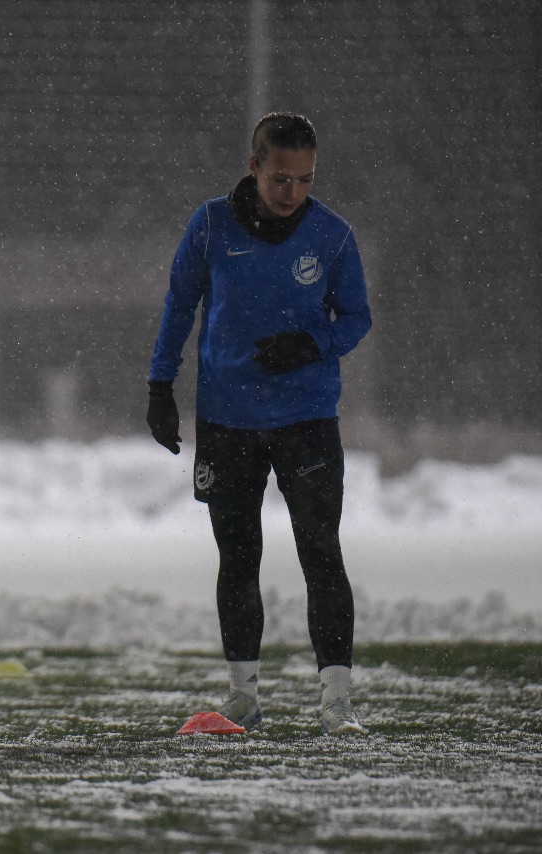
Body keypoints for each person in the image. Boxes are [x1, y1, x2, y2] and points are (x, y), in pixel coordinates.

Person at [146, 112, 372, 735]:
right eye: (280, 178)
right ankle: (243, 696)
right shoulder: (211, 225)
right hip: (229, 420)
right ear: (254, 167)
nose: (292, 191)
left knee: (320, 551)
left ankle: (337, 703)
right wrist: (160, 385)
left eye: (305, 179)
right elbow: (179, 303)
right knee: (238, 556)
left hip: (307, 418)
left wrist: (310, 344)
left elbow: (357, 317)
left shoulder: (332, 236)